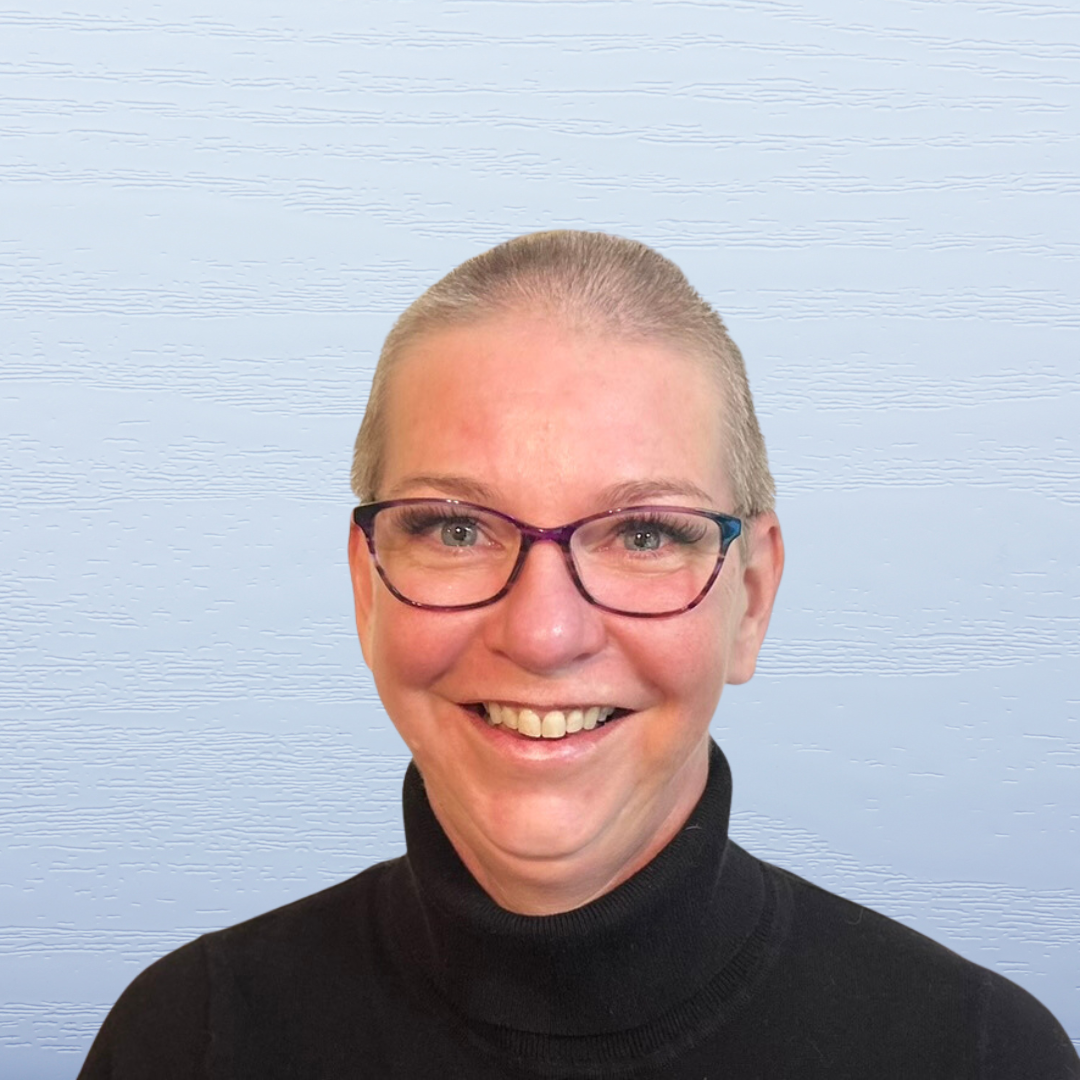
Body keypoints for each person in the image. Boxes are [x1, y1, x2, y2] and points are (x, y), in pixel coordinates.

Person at [78, 231, 1078, 1078]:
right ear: (364, 581)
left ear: (753, 598)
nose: (545, 635)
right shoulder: (186, 1042)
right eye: (455, 528)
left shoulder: (979, 1056)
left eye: (644, 534)